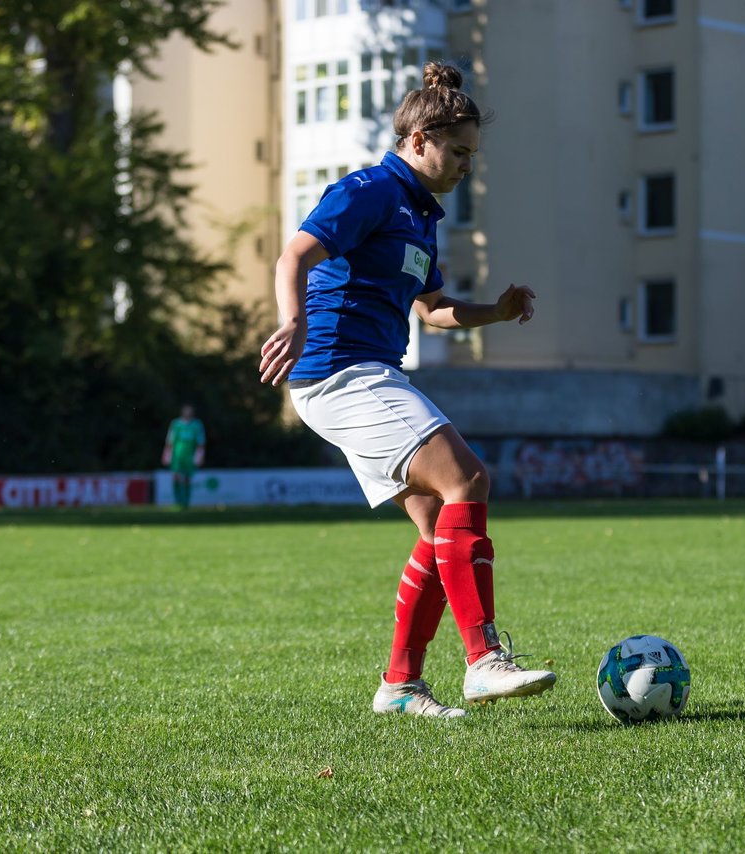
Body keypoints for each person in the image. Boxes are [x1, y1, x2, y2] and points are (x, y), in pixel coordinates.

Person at [258, 62, 556, 718]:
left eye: (472, 155)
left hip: (365, 374)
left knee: (437, 529)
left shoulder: (421, 216)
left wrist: (495, 313)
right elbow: (293, 257)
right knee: (467, 479)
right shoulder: (369, 191)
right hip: (342, 371)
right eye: (458, 152)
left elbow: (432, 310)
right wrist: (294, 321)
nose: (466, 166)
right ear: (418, 139)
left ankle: (399, 685)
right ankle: (483, 660)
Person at [162, 404, 206, 510]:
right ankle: (177, 501)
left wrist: (200, 455)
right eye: (186, 411)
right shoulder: (176, 424)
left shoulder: (197, 425)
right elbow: (169, 441)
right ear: (182, 412)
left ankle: (186, 503)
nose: (188, 413)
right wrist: (166, 454)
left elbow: (201, 442)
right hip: (177, 455)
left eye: (189, 411)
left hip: (190, 456)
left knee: (187, 478)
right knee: (176, 476)